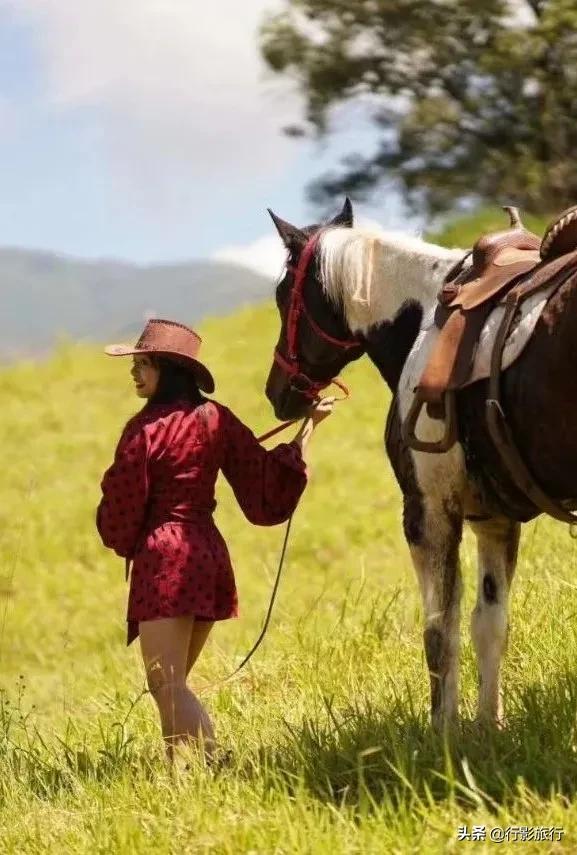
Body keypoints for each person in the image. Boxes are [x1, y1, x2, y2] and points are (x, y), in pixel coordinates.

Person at [96, 318, 333, 763]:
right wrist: (310, 428)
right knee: (173, 685)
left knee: (166, 685)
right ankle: (179, 779)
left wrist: (121, 536)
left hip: (165, 560)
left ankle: (219, 765)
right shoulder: (215, 417)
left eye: (143, 364)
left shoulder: (143, 430)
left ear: (169, 370)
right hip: (206, 553)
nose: (134, 372)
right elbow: (264, 479)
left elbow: (121, 504)